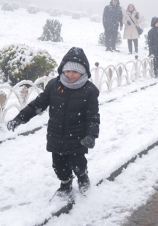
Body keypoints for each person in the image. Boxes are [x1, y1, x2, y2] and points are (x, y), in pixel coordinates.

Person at [6, 47, 100, 199]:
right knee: (59, 165)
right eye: (67, 71)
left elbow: (93, 115)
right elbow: (38, 104)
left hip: (78, 136)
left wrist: (92, 134)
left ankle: (82, 176)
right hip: (56, 134)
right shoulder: (54, 85)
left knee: (78, 163)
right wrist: (20, 118)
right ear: (62, 69)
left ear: (83, 73)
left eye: (75, 72)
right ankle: (65, 184)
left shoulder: (89, 90)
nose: (70, 75)